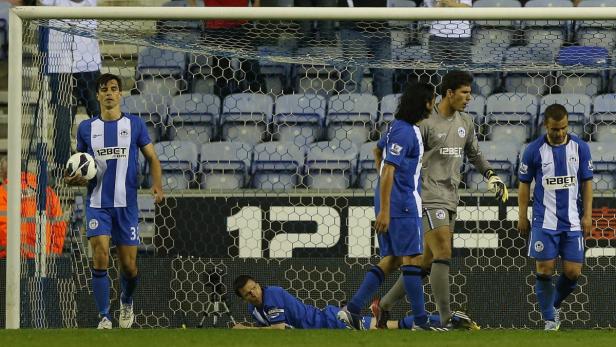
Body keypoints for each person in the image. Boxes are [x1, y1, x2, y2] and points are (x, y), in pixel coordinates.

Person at [371, 71, 508, 329]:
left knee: (426, 261)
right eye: (465, 93)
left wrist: (492, 176)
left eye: (470, 93)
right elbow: (381, 147)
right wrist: (388, 183)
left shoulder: (465, 122)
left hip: (450, 196)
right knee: (444, 249)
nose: (469, 98)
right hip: (426, 195)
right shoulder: (423, 122)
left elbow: (475, 154)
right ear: (449, 93)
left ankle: (383, 306)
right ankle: (446, 319)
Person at [333, 81, 447, 332]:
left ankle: (352, 310)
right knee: (414, 259)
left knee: (393, 259)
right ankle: (420, 322)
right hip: (403, 203)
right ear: (425, 103)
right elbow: (388, 169)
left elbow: (377, 151)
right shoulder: (406, 132)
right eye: (433, 100)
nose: (435, 104)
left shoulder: (398, 127)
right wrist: (386, 207)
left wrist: (385, 193)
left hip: (393, 201)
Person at [64, 73, 164, 329]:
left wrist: (157, 186)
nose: (109, 93)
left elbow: (153, 158)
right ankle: (105, 316)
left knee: (129, 267)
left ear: (120, 94)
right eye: (104, 89)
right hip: (97, 204)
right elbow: (82, 167)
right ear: (97, 95)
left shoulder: (135, 125)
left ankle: (126, 301)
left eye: (114, 89)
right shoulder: (86, 128)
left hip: (126, 206)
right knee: (100, 256)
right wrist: (74, 180)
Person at [517, 104, 593, 331]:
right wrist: (522, 215)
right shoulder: (533, 150)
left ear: (567, 124)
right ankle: (550, 320)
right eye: (554, 129)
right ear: (545, 126)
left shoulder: (580, 147)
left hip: (572, 221)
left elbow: (587, 182)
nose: (559, 133)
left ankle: (553, 305)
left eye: (563, 128)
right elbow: (523, 185)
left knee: (573, 272)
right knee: (544, 269)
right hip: (544, 220)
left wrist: (588, 215)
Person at [232, 275, 457, 330]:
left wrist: (243, 331)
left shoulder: (273, 294)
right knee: (386, 327)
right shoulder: (255, 309)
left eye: (254, 287)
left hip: (330, 322)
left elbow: (278, 329)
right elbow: (270, 326)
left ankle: (450, 319)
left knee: (389, 327)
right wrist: (250, 327)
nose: (253, 293)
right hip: (324, 320)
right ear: (243, 299)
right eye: (248, 293)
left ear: (259, 285)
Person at [39, 0, 101, 174]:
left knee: (99, 113)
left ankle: (105, 156)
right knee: (63, 115)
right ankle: (61, 165)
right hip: (61, 65)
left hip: (89, 62)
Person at [187, 0, 265, 97]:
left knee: (252, 70)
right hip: (217, 28)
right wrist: (196, 11)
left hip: (242, 25)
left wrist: (254, 17)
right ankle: (223, 105)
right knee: (222, 75)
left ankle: (260, 104)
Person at [0, 156, 66, 259]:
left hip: (12, 258)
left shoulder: (3, 192)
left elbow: (3, 227)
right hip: (43, 257)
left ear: (4, 174)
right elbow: (59, 225)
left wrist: (5, 254)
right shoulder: (47, 191)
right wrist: (54, 253)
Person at [337, 0, 393, 100]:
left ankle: (385, 113)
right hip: (353, 28)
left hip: (381, 27)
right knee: (353, 77)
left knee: (384, 76)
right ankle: (351, 113)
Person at [423, 0, 472, 65]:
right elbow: (430, 13)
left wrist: (447, 1)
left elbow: (467, 9)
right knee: (440, 71)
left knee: (463, 70)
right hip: (436, 35)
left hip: (461, 35)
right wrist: (441, 3)